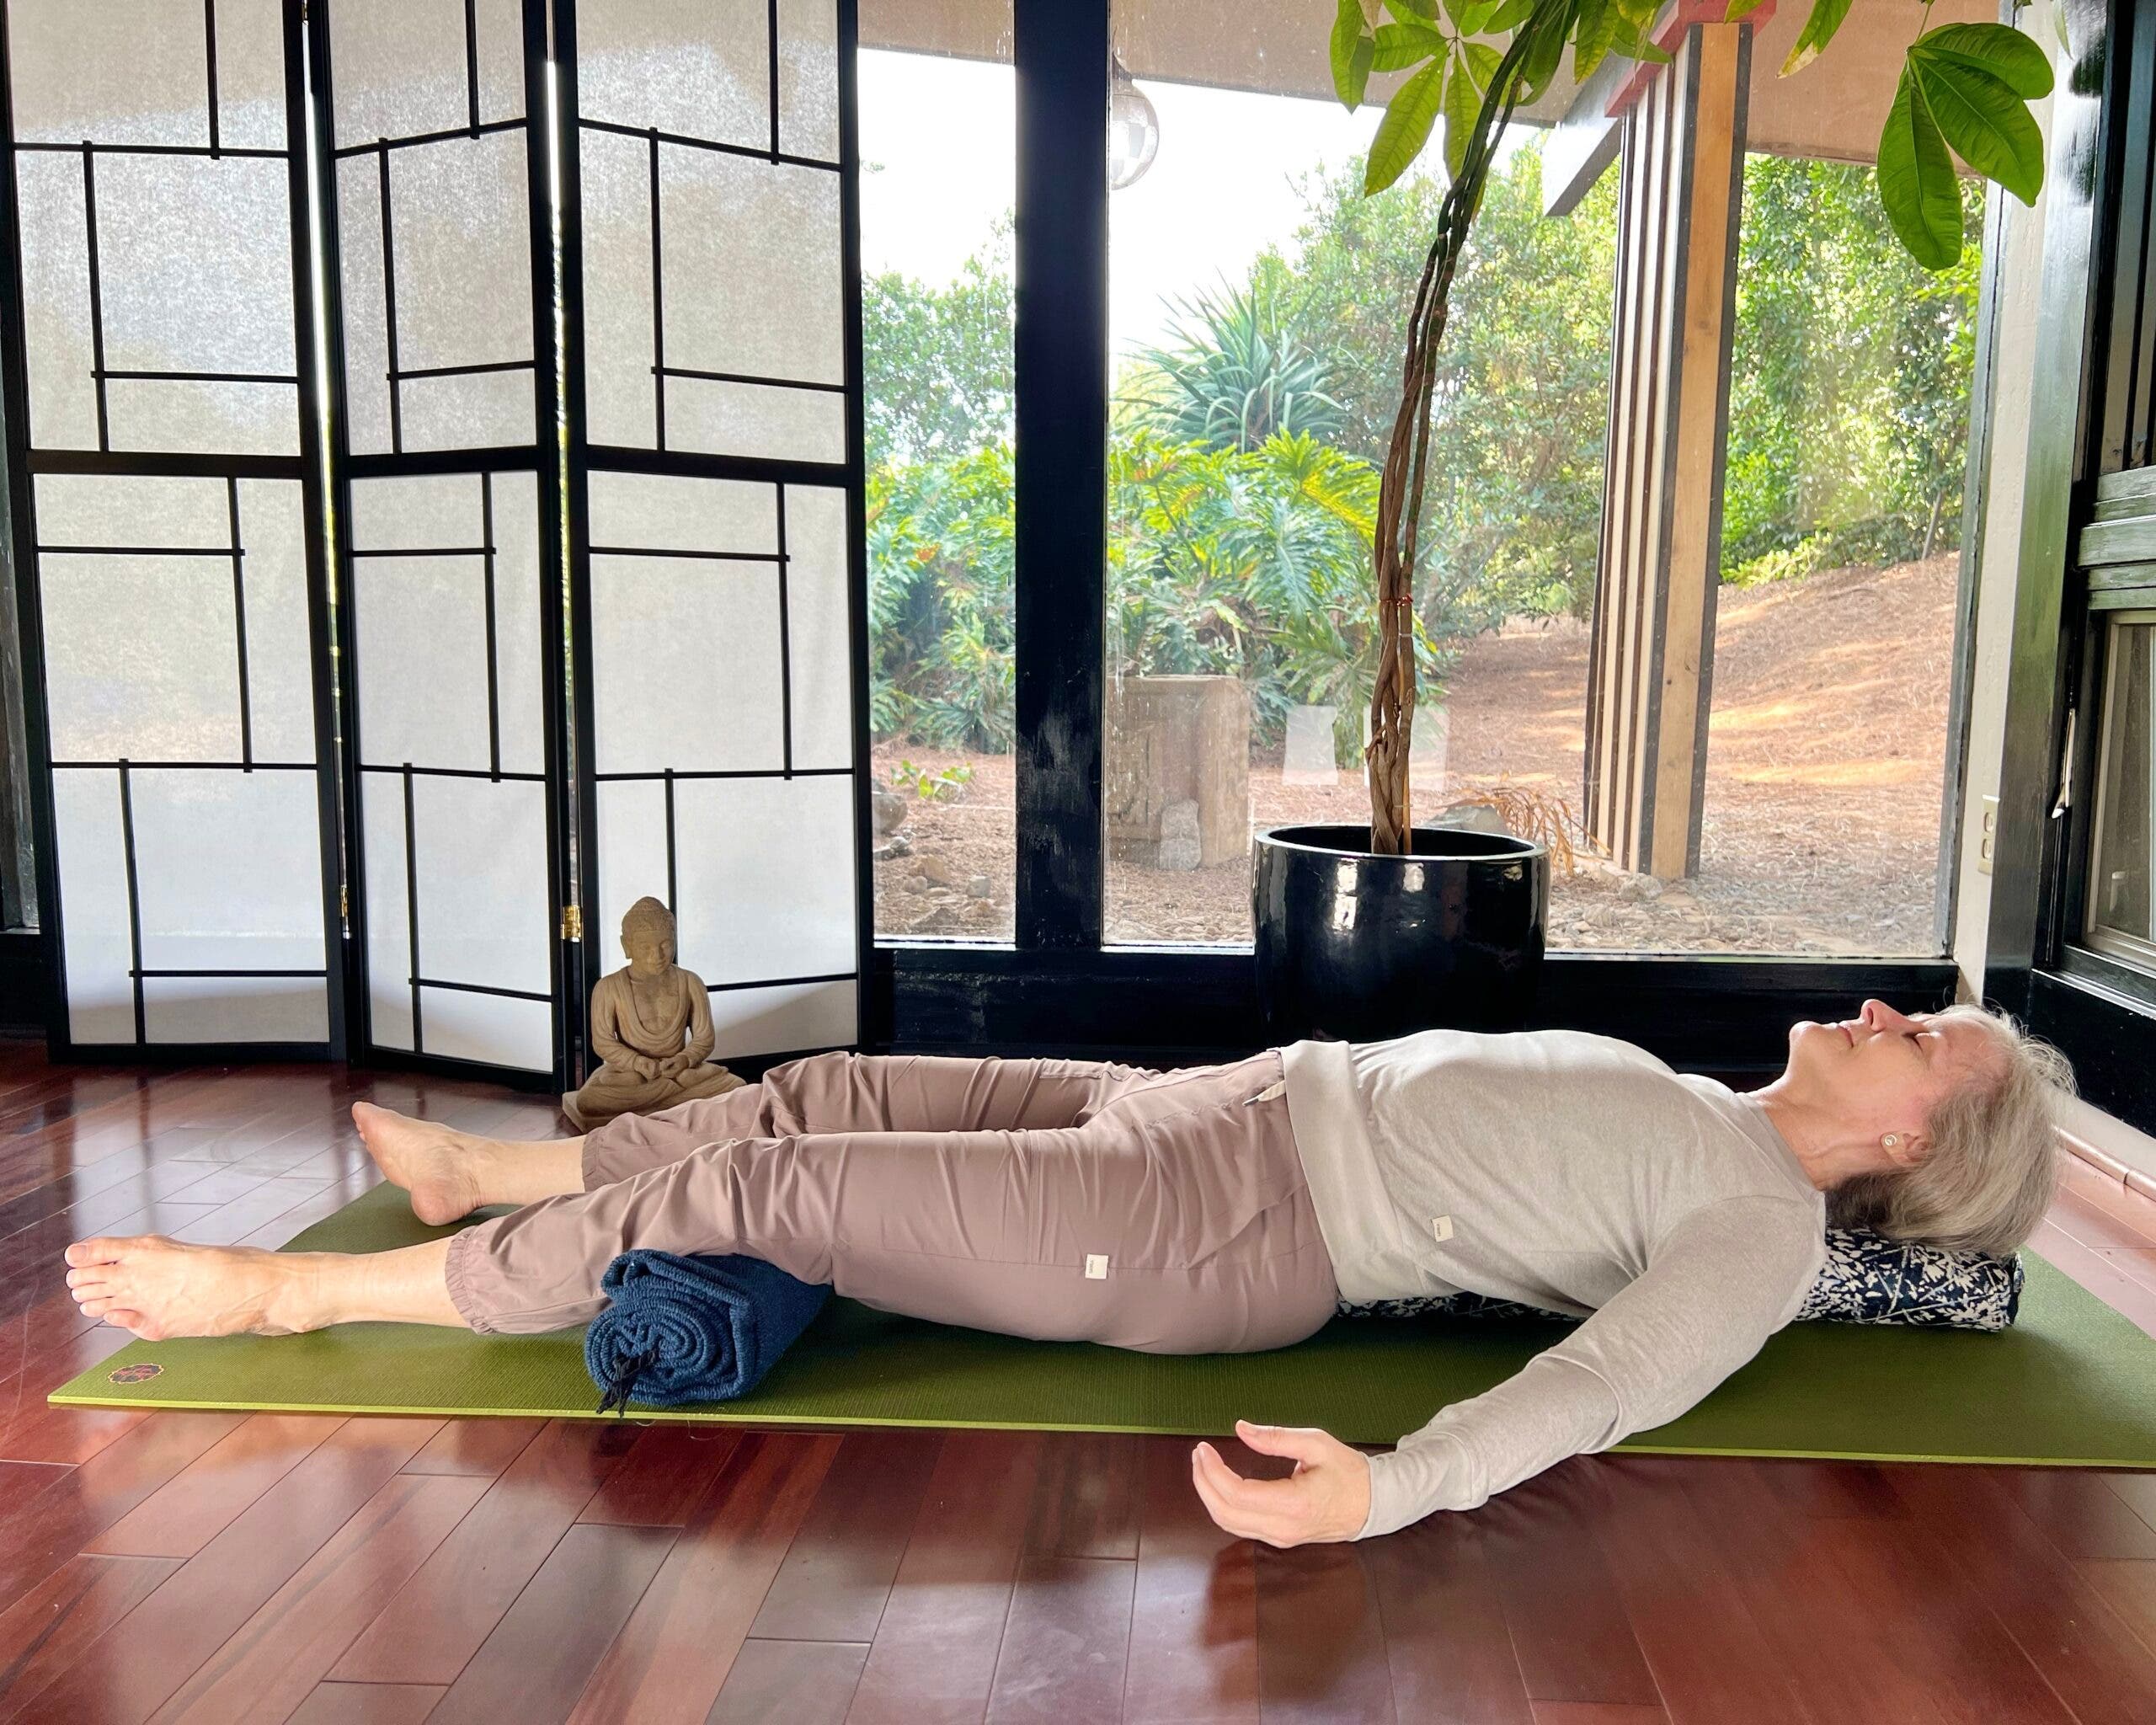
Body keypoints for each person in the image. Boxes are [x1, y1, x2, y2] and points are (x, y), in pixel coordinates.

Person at [62, 999, 2073, 1546]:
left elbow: (1602, 1388)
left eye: (1923, 1041)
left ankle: (287, 1299)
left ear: (1911, 1143)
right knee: (823, 1080)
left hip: (1212, 1231)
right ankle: (492, 1171)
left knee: (759, 1189)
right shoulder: (1704, 1110)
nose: (1887, 1012)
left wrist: (1396, 1488)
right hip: (1192, 1101)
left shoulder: (1755, 1229)